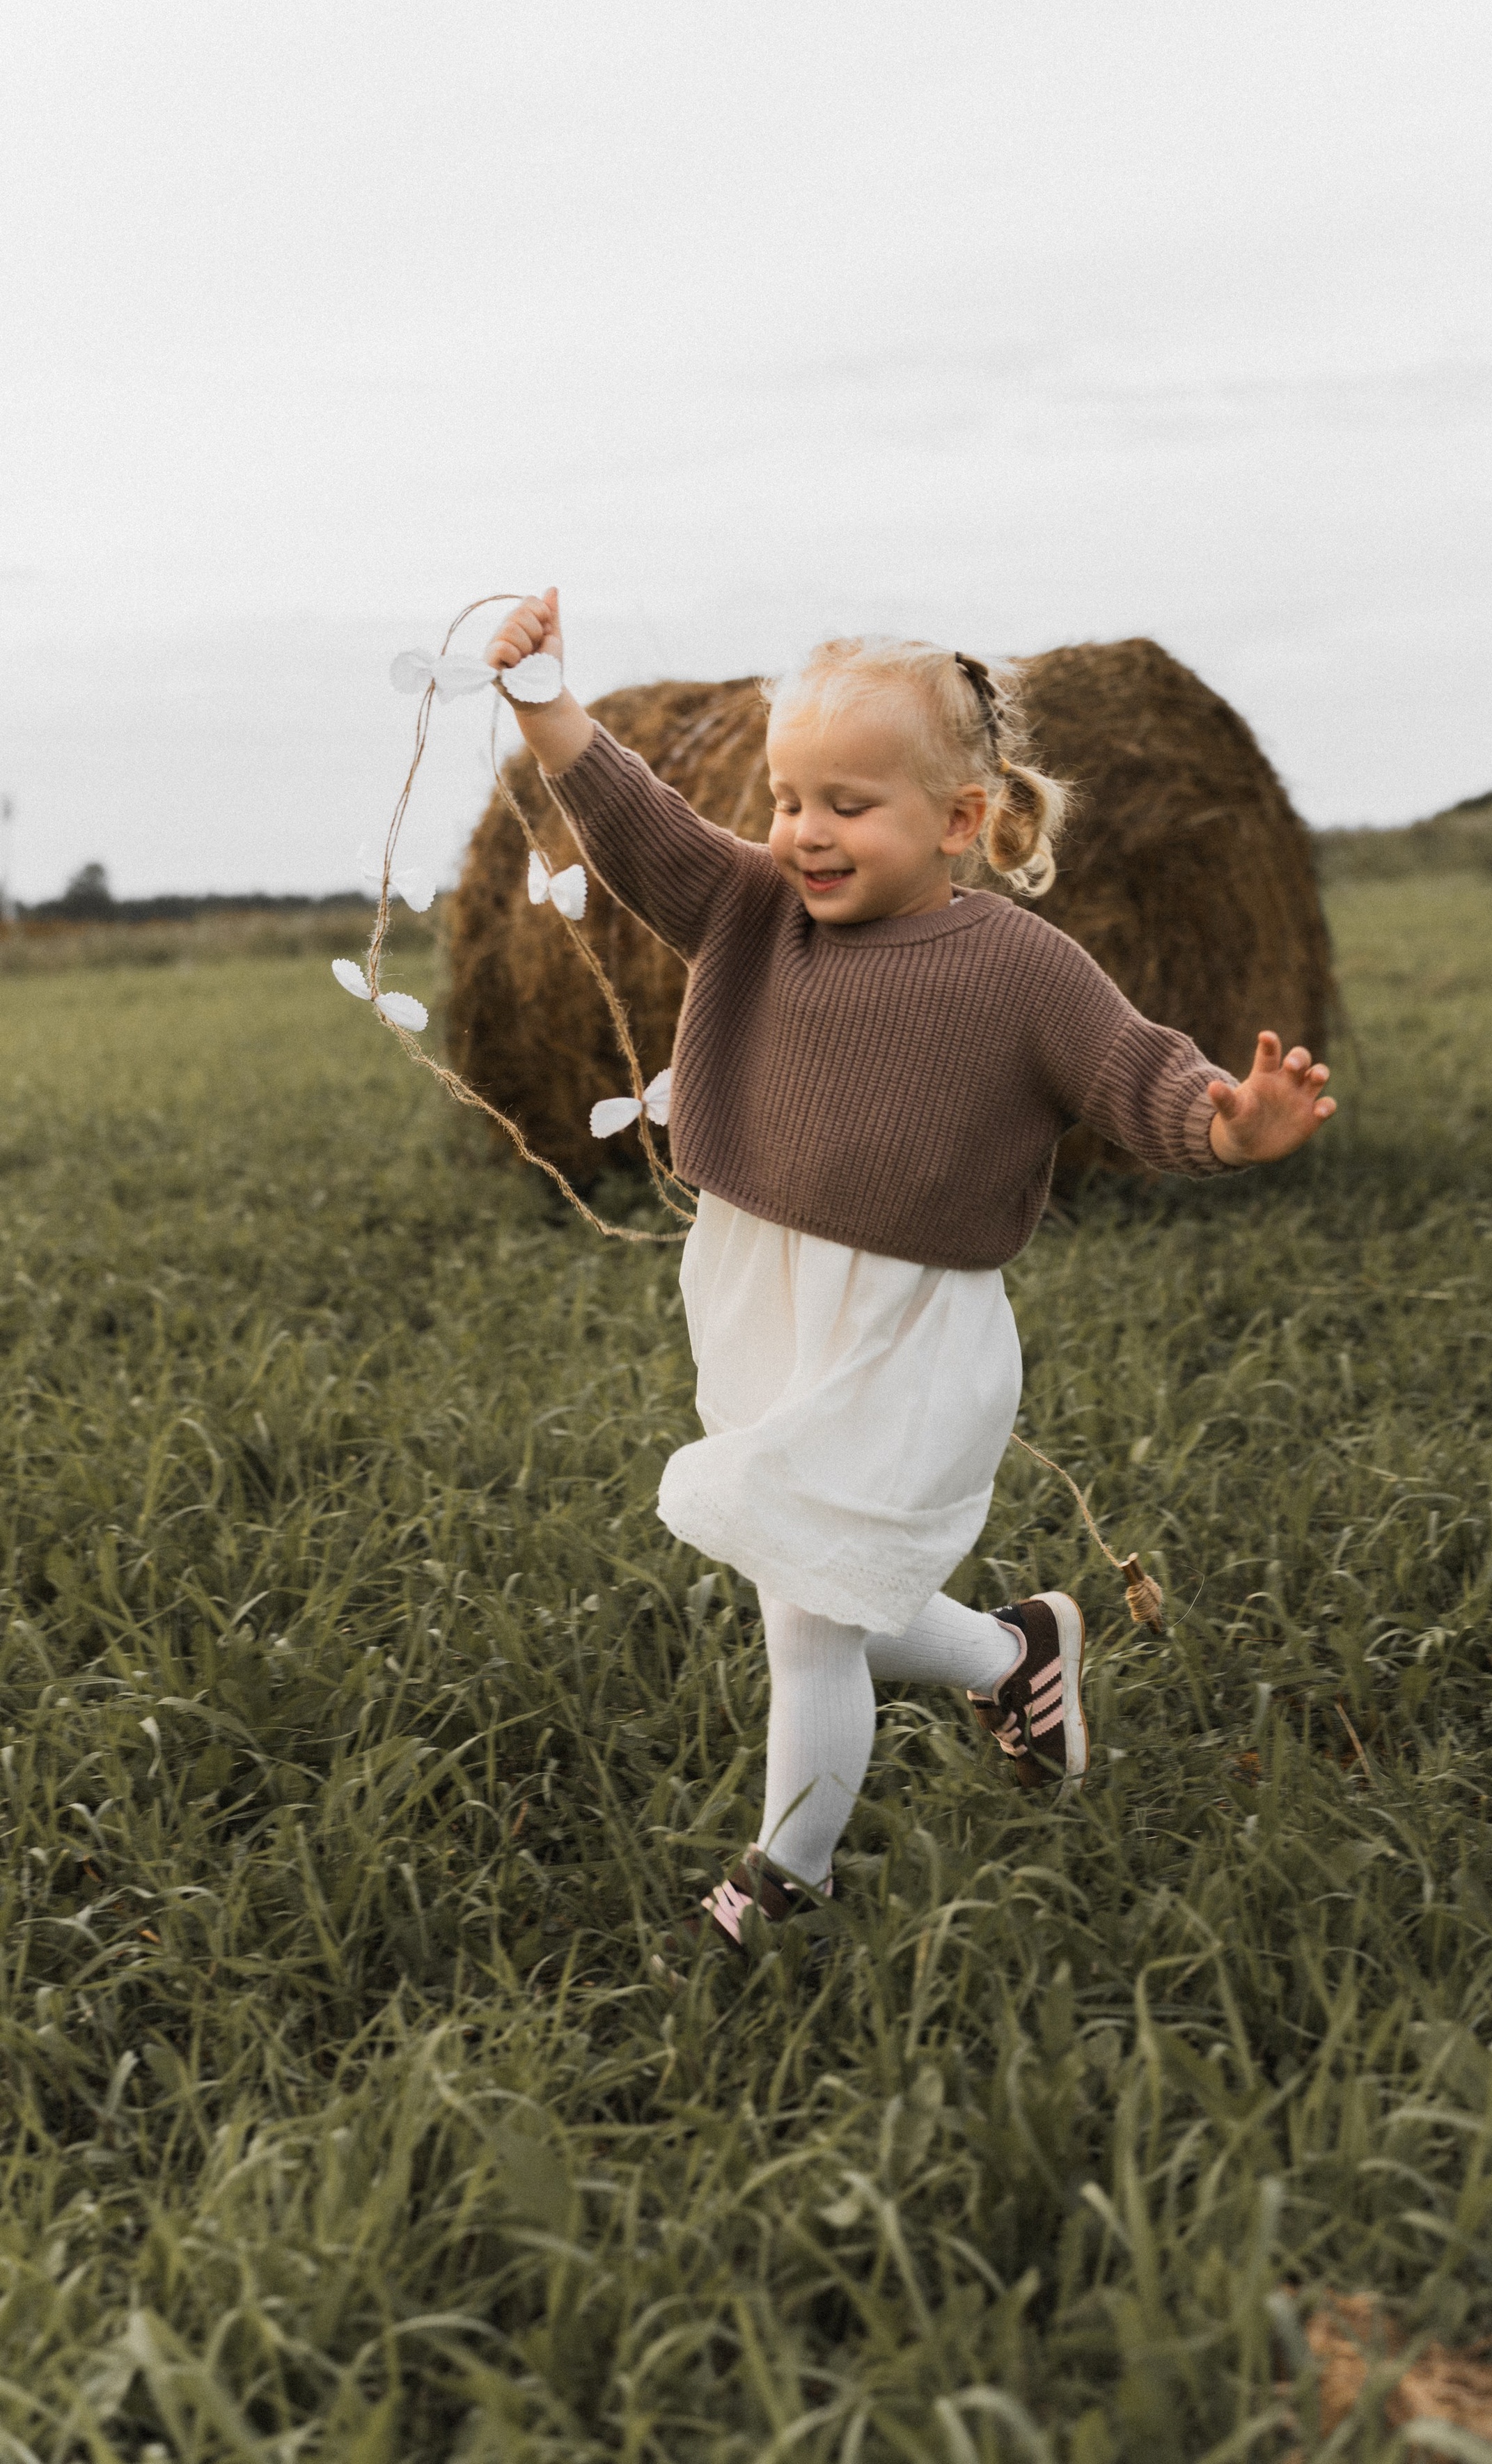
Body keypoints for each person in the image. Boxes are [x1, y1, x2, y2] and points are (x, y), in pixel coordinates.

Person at [485, 591, 1335, 1951]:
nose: (804, 832)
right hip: (759, 1290)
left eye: (847, 804)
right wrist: (549, 708)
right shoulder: (756, 909)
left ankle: (786, 1883)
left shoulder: (1015, 966)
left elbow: (1134, 1073)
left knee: (811, 1622)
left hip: (905, 1327)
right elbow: (645, 836)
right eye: (787, 798)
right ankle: (1010, 1655)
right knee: (806, 1578)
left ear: (958, 819)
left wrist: (1224, 1123)